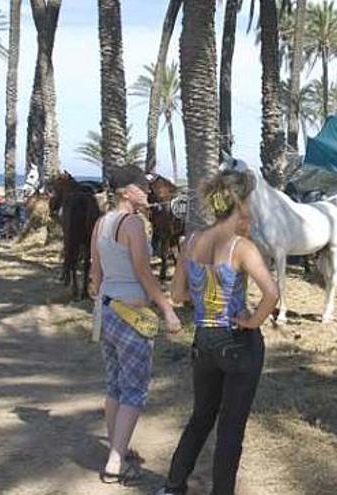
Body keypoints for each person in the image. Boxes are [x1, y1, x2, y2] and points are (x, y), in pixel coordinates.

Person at [157, 170, 279, 495]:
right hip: (238, 342)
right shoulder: (242, 247)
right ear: (241, 202)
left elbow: (178, 294)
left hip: (204, 343)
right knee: (230, 428)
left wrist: (206, 300)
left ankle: (172, 486)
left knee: (200, 418)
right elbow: (271, 293)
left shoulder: (193, 240)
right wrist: (252, 322)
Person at [88, 166, 182, 485]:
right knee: (134, 389)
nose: (147, 192)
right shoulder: (132, 224)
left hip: (107, 310)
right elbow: (144, 273)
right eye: (142, 188)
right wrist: (168, 309)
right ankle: (115, 461)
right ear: (126, 192)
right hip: (132, 314)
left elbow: (95, 276)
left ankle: (119, 447)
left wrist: (103, 291)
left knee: (115, 384)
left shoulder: (101, 223)